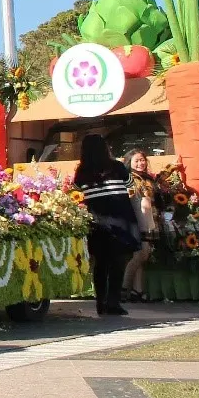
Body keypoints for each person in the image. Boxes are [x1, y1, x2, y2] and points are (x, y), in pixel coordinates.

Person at [73, 134, 142, 317]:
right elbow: (130, 184)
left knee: (101, 263)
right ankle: (113, 302)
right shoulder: (117, 167)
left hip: (97, 222)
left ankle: (101, 303)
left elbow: (77, 190)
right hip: (121, 220)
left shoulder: (81, 172)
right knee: (119, 261)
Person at [122, 149, 160, 302]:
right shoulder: (129, 178)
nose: (140, 163)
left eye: (142, 160)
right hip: (138, 221)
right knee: (141, 254)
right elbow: (130, 198)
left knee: (142, 256)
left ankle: (137, 291)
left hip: (148, 219)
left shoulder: (147, 178)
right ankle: (123, 289)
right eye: (136, 161)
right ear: (129, 163)